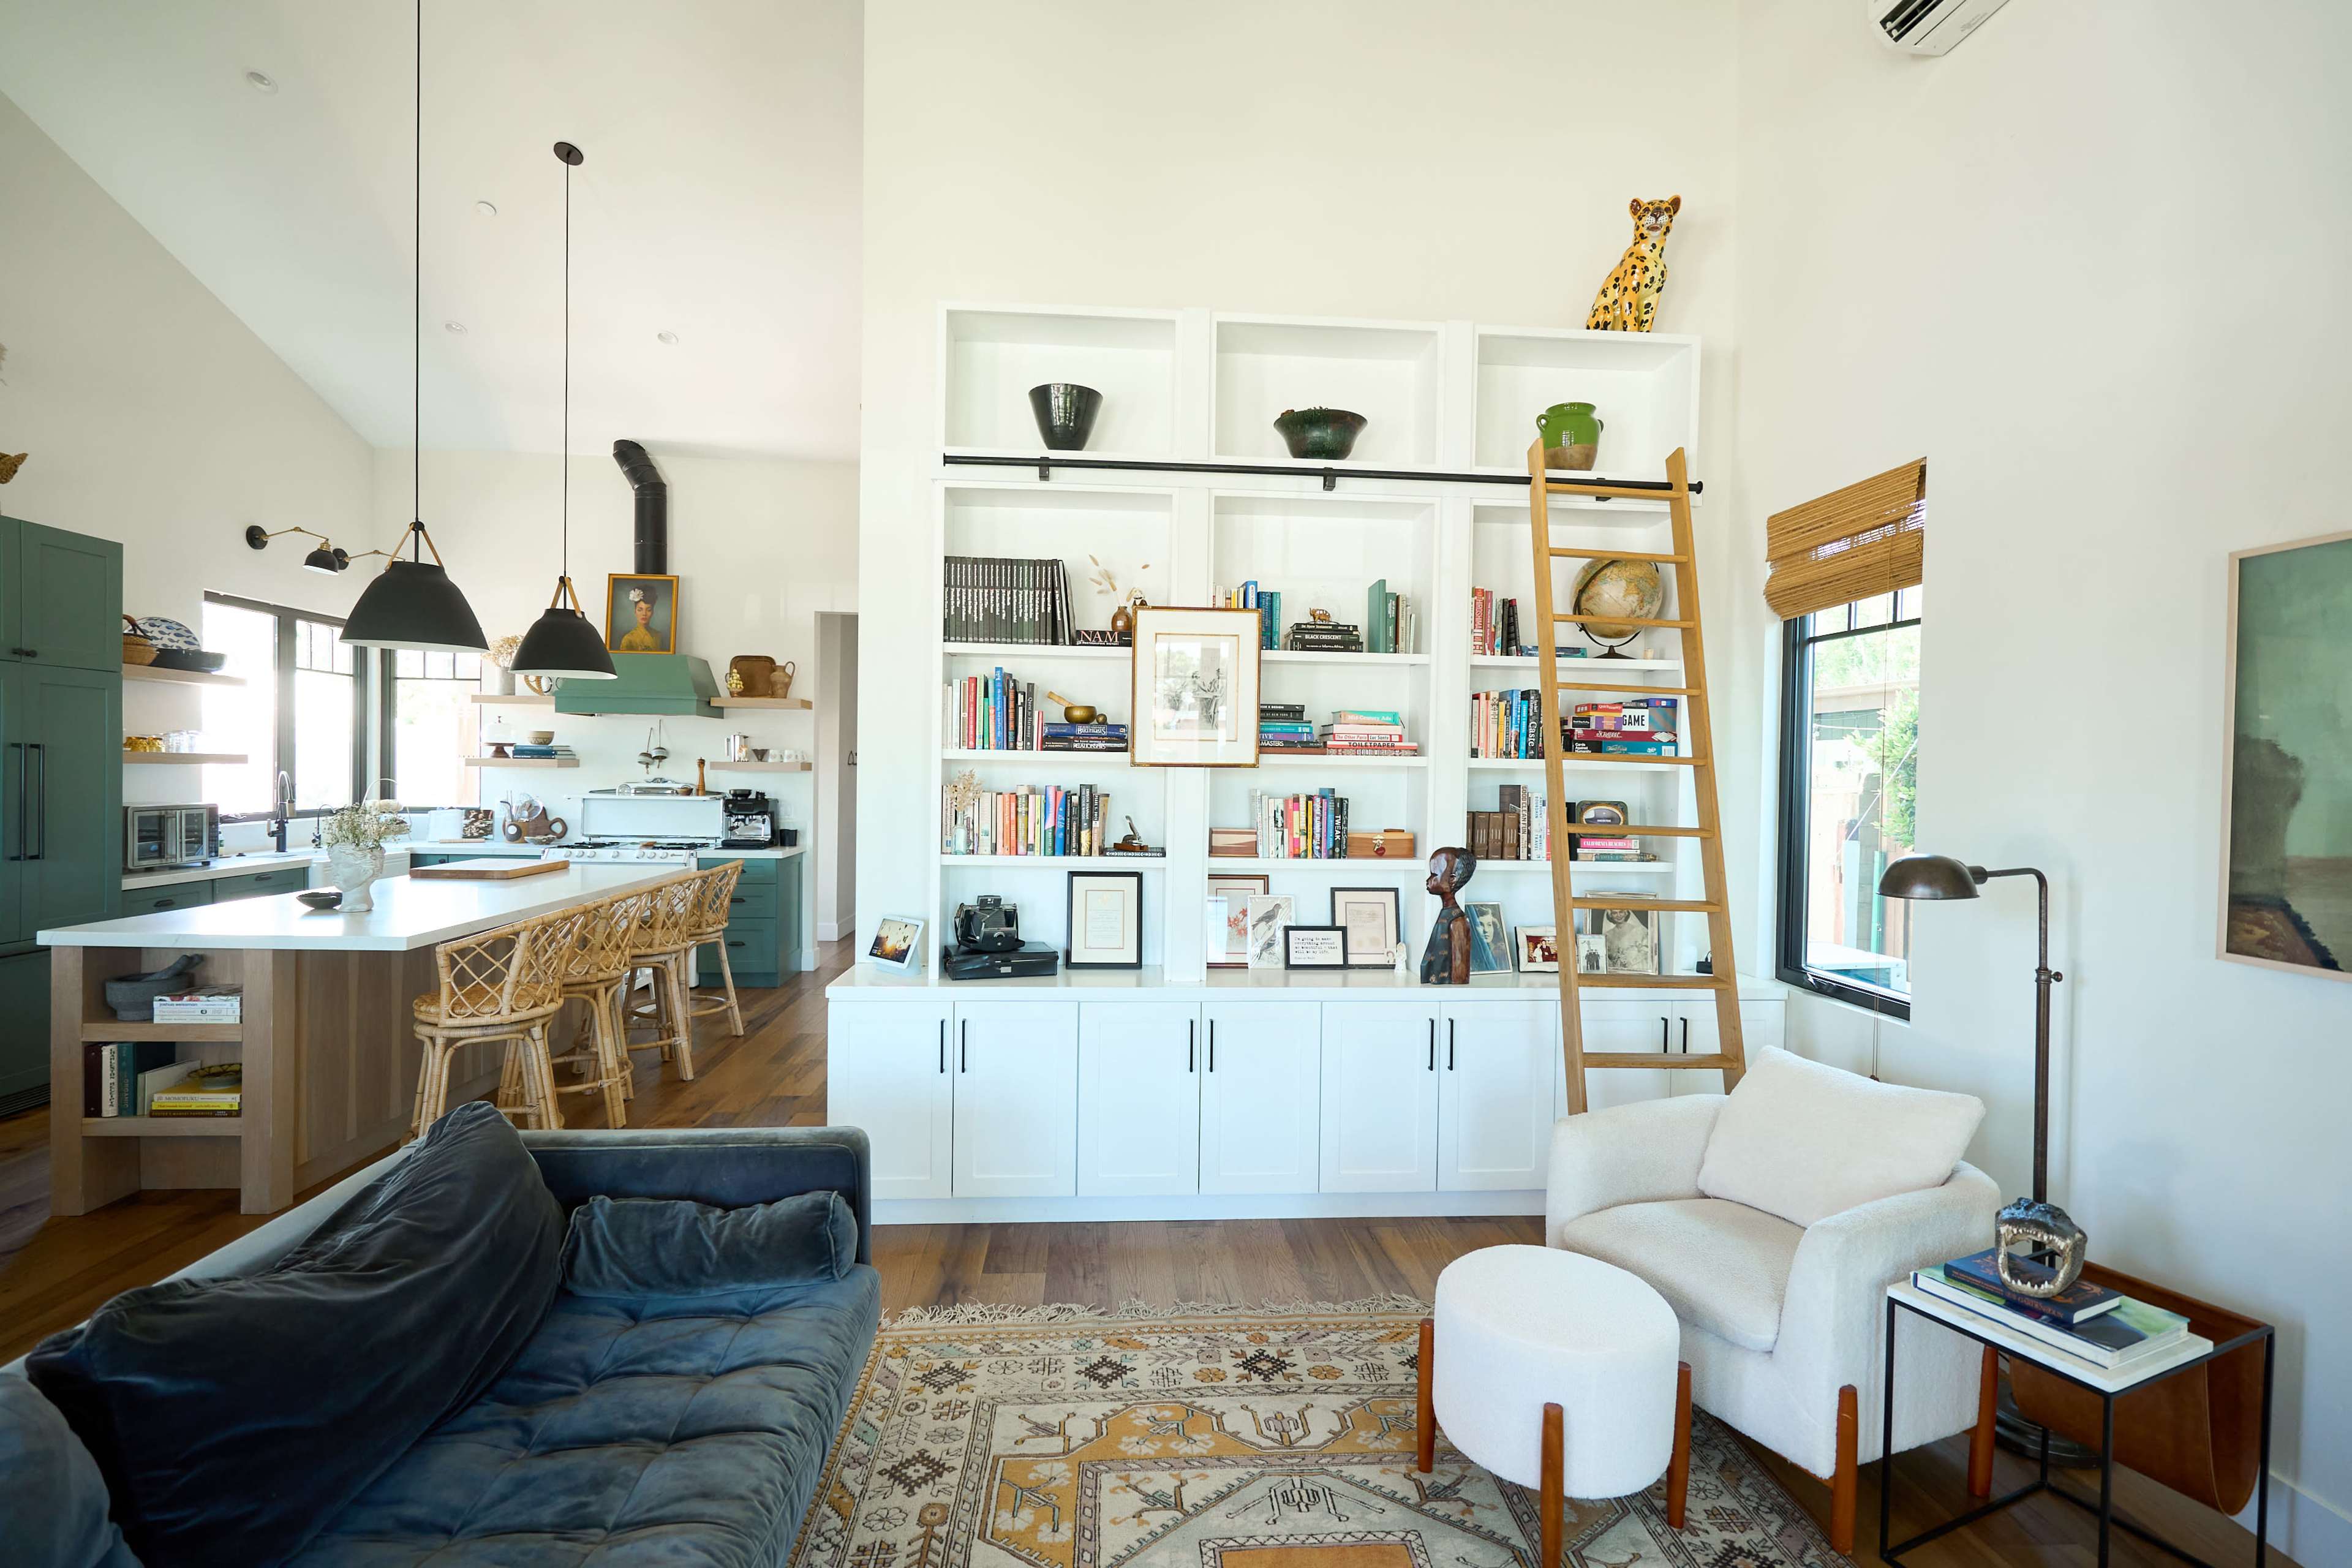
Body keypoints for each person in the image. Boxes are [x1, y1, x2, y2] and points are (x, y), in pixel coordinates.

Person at [616, 587, 664, 652]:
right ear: (635, 612)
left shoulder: (659, 636)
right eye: (640, 610)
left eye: (649, 610)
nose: (644, 614)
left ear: (653, 612)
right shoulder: (628, 639)